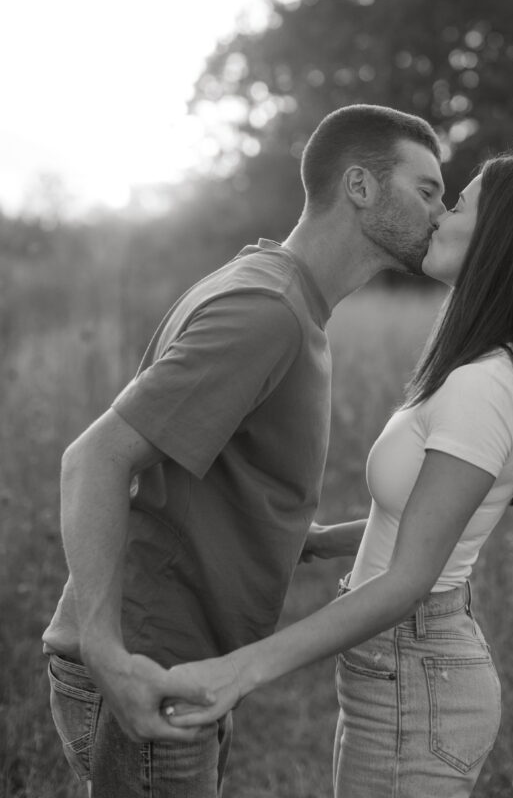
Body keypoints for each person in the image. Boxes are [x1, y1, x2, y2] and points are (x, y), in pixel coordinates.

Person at [162, 153, 513, 797]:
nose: (438, 216)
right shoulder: (492, 371)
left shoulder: (486, 387)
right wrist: (320, 541)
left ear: (505, 236)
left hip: (417, 676)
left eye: (459, 204)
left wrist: (242, 670)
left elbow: (409, 580)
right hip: (404, 669)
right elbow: (429, 526)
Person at [43, 104, 447, 796]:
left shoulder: (281, 291)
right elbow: (95, 459)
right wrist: (108, 655)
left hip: (186, 661)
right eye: (428, 190)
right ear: (359, 186)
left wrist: (316, 539)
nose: (440, 214)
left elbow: (212, 472)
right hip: (151, 664)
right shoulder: (267, 312)